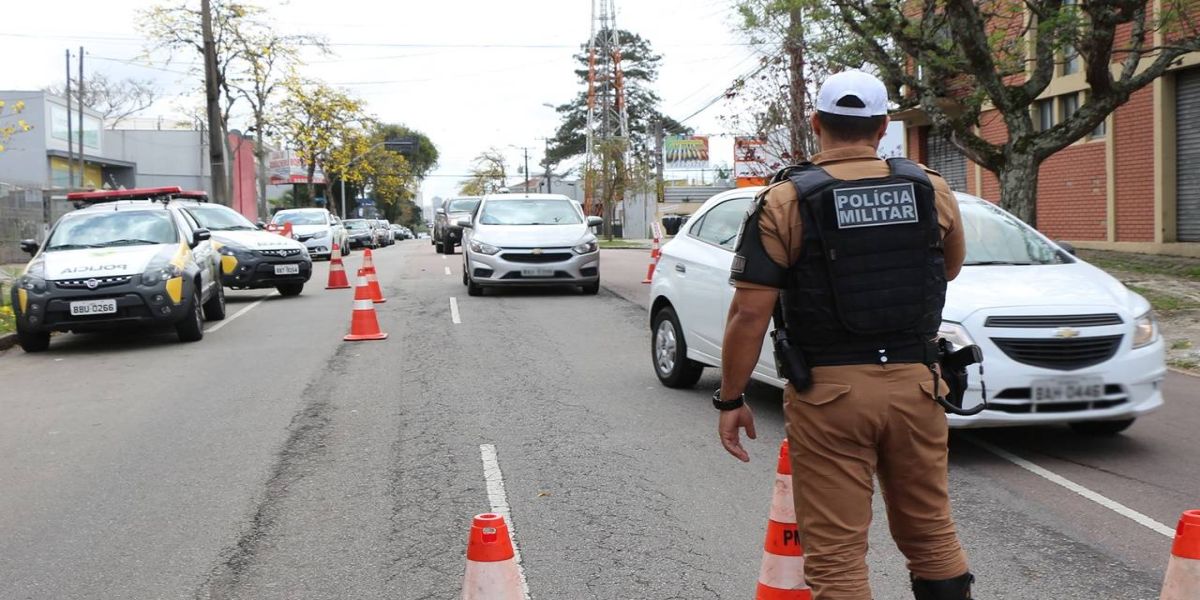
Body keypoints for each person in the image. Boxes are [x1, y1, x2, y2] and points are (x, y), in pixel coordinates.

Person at [714, 70, 973, 600]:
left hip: (830, 395)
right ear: (882, 128)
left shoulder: (785, 201)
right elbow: (948, 268)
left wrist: (731, 397)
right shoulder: (931, 188)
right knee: (931, 535)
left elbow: (749, 313)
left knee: (836, 557)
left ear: (816, 124)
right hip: (918, 386)